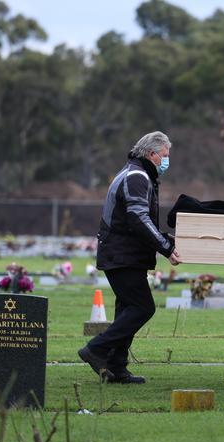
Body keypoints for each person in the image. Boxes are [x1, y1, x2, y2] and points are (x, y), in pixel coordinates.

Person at [78, 131, 181, 384]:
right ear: (151, 154)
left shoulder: (135, 173)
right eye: (164, 156)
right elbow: (138, 218)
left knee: (127, 308)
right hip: (121, 254)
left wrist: (166, 240)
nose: (166, 161)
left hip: (123, 254)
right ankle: (96, 349)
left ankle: (116, 367)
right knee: (142, 307)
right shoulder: (137, 176)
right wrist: (166, 247)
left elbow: (137, 218)